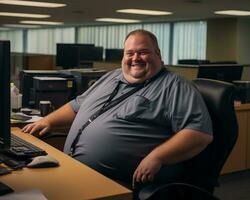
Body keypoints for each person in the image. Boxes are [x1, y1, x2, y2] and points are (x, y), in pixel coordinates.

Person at [22, 29, 213, 191]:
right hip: (75, 169)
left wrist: (158, 156)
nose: (135, 58)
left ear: (158, 54)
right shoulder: (112, 77)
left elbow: (198, 132)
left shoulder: (175, 86)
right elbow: (76, 106)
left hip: (118, 182)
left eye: (143, 52)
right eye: (129, 53)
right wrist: (47, 121)